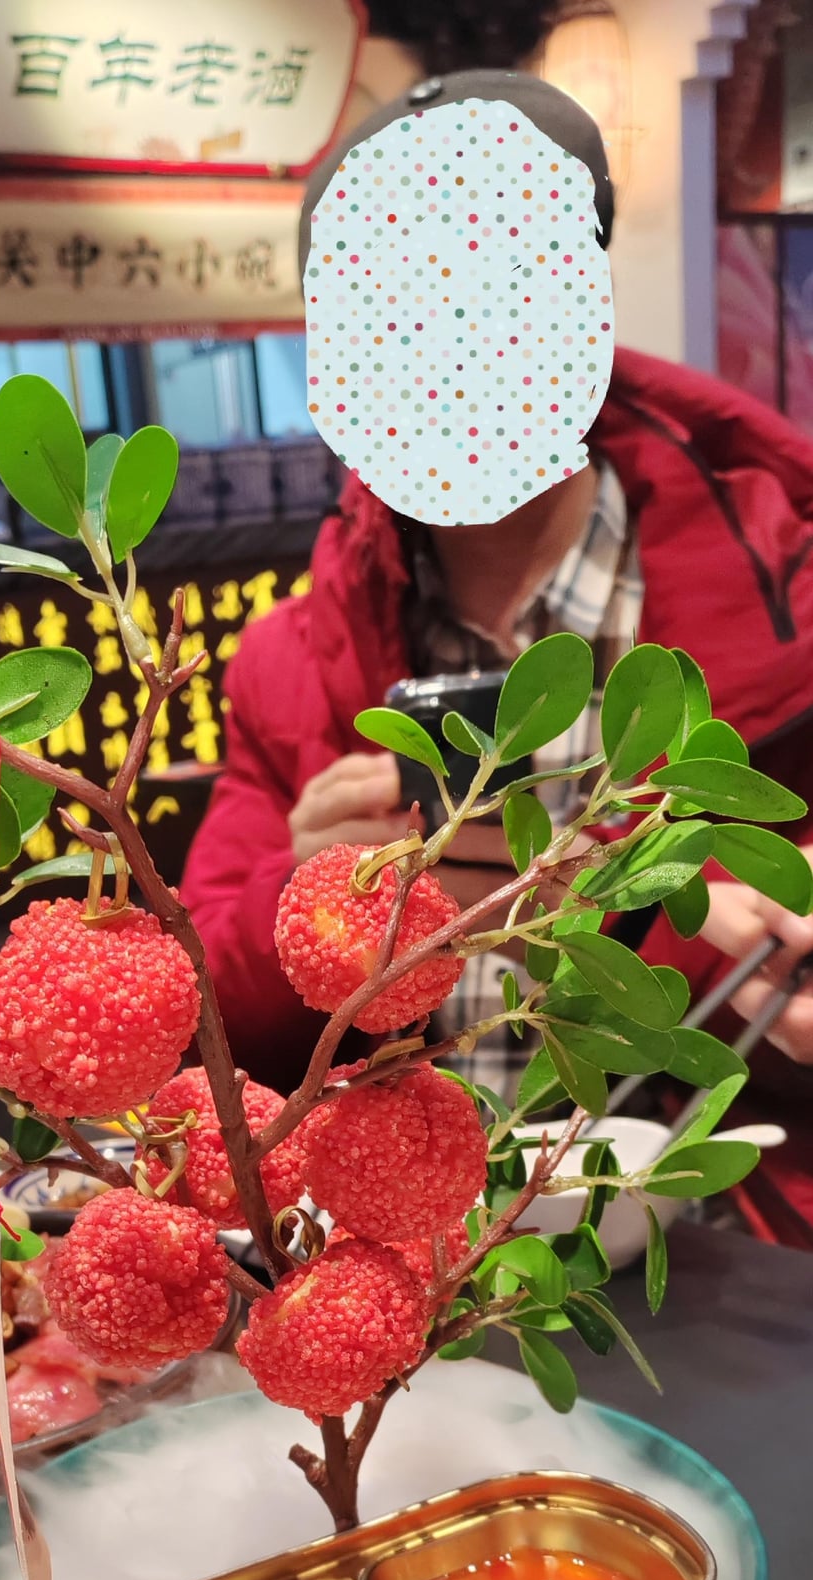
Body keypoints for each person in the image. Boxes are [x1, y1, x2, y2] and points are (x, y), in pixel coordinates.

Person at [181, 67, 813, 1224]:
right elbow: (203, 1031)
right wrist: (306, 908)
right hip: (400, 1286)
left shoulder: (791, 613)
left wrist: (633, 921)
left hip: (728, 1264)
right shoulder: (288, 666)